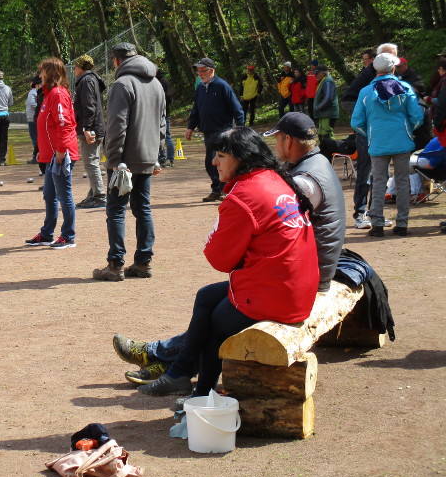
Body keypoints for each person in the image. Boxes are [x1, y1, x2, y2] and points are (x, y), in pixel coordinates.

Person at [118, 127, 319, 396]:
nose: (214, 162)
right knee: (206, 296)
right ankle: (179, 372)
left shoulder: (244, 196)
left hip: (277, 296)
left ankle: (200, 395)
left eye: (221, 155)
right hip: (297, 289)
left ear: (242, 158)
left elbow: (219, 259)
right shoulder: (274, 178)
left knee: (215, 323)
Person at [92, 42, 165, 281]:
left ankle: (115, 264)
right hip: (146, 157)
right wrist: (156, 156)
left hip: (124, 160)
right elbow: (162, 124)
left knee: (116, 211)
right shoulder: (156, 84)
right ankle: (143, 262)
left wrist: (113, 158)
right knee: (143, 208)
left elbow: (117, 126)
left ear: (116, 61)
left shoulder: (122, 84)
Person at [264, 112, 346, 292]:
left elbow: (273, 224)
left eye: (277, 140)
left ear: (288, 140)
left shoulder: (305, 180)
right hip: (316, 266)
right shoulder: (316, 161)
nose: (276, 146)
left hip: (311, 277)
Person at [351, 52, 423, 237]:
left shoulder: (366, 91)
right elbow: (417, 116)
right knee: (402, 182)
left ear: (376, 69)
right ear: (393, 68)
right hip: (402, 141)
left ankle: (377, 226)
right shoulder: (405, 87)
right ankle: (402, 225)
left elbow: (356, 122)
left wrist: (370, 135)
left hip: (378, 143)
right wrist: (409, 130)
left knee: (379, 182)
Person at [24, 57, 79, 249]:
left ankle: (68, 236)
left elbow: (64, 124)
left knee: (64, 195)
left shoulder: (57, 94)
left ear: (51, 73)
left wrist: (61, 150)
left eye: (43, 72)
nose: (40, 75)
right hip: (51, 155)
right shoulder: (48, 94)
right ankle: (47, 233)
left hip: (61, 154)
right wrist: (42, 151)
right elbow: (47, 127)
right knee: (49, 195)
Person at [185, 57, 244, 202]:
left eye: (203, 71)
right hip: (208, 131)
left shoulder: (222, 86)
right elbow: (196, 110)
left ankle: (225, 189)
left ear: (211, 70)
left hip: (223, 130)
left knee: (224, 161)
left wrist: (240, 127)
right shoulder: (200, 88)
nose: (200, 74)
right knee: (210, 162)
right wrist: (190, 127)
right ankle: (216, 189)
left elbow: (236, 108)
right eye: (198, 72)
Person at [340, 50, 376, 224]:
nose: (364, 63)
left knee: (380, 173)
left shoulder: (391, 81)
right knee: (365, 169)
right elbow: (349, 102)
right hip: (366, 131)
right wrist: (363, 127)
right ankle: (360, 213)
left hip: (382, 134)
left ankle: (375, 214)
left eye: (366, 60)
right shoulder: (368, 76)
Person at [72, 54, 107, 208]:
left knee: (90, 161)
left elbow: (89, 106)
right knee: (92, 160)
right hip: (95, 126)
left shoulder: (86, 81)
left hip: (91, 127)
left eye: (75, 67)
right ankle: (92, 194)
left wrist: (87, 128)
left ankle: (99, 195)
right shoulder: (92, 80)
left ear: (81, 67)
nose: (73, 70)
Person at [311, 65, 338, 141]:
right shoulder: (324, 81)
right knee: (321, 135)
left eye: (316, 73)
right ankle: (325, 152)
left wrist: (318, 108)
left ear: (322, 73)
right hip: (323, 114)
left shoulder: (328, 82)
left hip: (327, 114)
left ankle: (331, 152)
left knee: (327, 136)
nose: (315, 76)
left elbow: (328, 98)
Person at [156, 68, 175, 167]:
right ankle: (162, 157)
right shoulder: (154, 82)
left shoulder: (163, 82)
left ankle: (170, 158)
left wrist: (161, 105)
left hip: (164, 114)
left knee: (167, 136)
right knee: (158, 136)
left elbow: (169, 98)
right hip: (156, 114)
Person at [25, 75, 41, 163]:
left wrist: (40, 108)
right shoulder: (40, 92)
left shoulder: (32, 92)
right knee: (38, 137)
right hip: (37, 117)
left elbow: (32, 103)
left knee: (35, 137)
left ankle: (36, 156)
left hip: (32, 118)